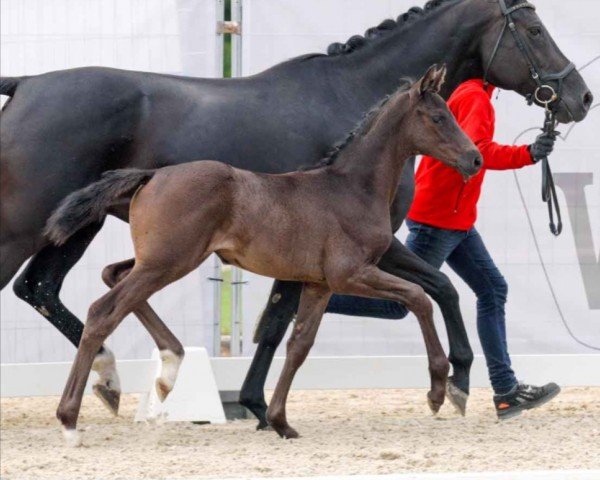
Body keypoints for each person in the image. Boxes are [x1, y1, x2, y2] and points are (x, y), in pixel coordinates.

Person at [327, 78, 560, 420]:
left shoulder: (470, 94)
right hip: (439, 220)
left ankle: (507, 391)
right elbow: (477, 154)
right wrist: (527, 154)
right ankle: (309, 300)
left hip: (455, 220)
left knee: (493, 289)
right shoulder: (477, 100)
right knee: (398, 305)